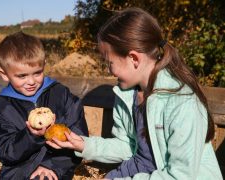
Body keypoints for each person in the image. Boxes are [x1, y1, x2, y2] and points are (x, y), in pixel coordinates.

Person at [47, 8, 223, 179]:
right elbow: (126, 146)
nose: (109, 70)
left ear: (134, 58)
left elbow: (180, 175)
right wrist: (84, 144)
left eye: (110, 63)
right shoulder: (127, 95)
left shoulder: (181, 102)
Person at [0, 32, 89, 180]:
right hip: (18, 172)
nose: (31, 82)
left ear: (44, 66)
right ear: (4, 75)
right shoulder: (3, 107)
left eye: (37, 73)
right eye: (22, 76)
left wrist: (51, 166)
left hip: (56, 168)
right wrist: (30, 136)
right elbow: (4, 151)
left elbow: (78, 137)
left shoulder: (61, 95)